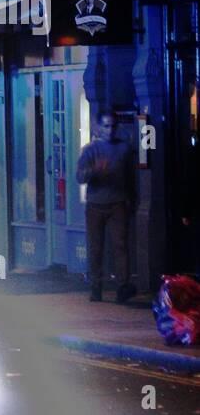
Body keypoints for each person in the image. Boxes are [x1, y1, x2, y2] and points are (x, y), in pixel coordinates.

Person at [77, 110, 137, 303]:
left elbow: (131, 177)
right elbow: (80, 177)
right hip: (96, 204)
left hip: (118, 202)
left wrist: (132, 199)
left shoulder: (124, 149)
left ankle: (122, 286)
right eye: (106, 126)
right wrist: (94, 171)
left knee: (121, 247)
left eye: (112, 126)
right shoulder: (90, 150)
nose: (109, 130)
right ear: (98, 127)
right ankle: (96, 286)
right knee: (96, 248)